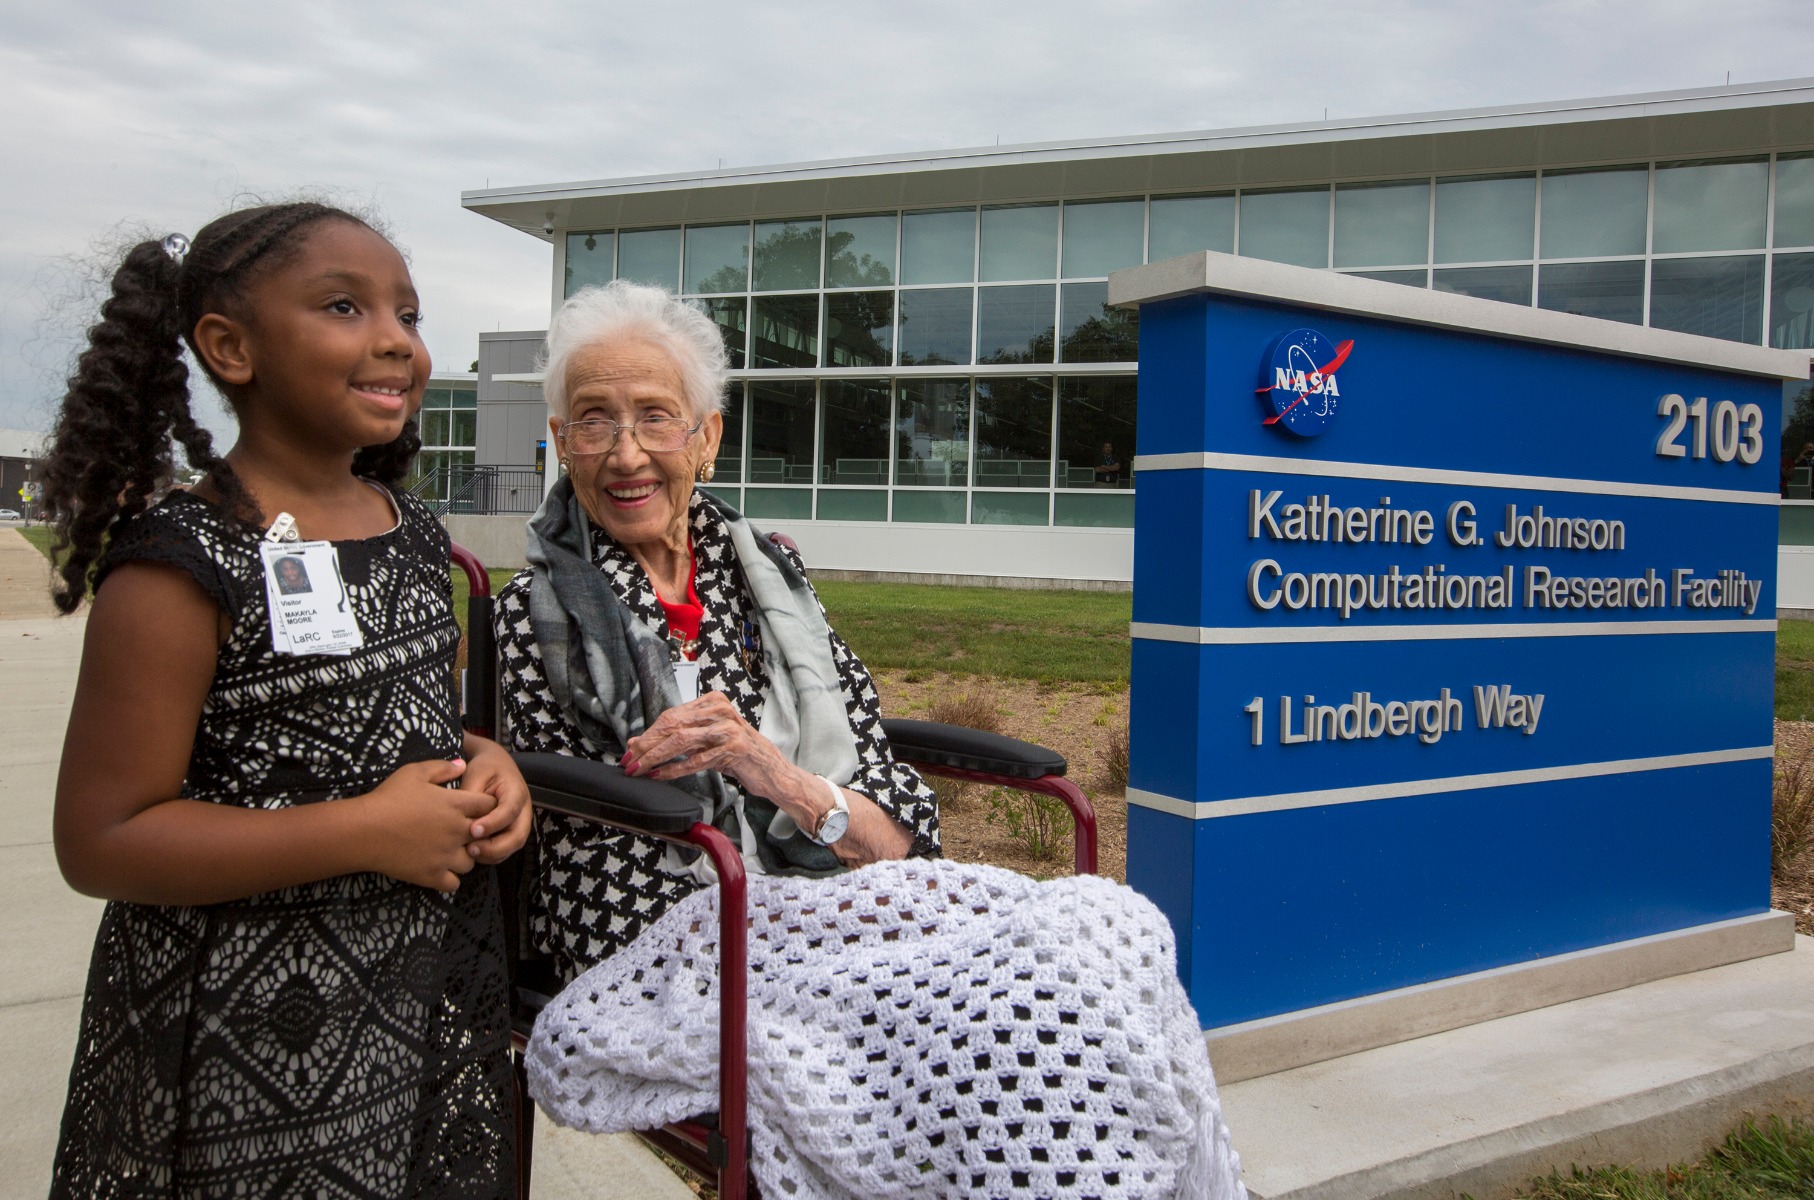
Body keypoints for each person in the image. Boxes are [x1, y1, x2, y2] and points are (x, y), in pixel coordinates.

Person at [41, 202, 532, 1198]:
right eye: (346, 307)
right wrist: (364, 830)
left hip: (410, 1013)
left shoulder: (414, 534)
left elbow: (421, 732)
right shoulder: (179, 569)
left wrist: (487, 762)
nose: (396, 338)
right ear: (230, 347)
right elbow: (101, 839)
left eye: (409, 312)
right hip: (236, 1052)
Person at [495, 279, 938, 979]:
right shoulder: (534, 616)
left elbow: (900, 832)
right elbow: (598, 873)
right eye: (593, 420)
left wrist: (774, 776)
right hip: (682, 953)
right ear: (561, 442)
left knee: (1091, 938)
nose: (626, 454)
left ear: (707, 436)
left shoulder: (774, 581)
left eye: (655, 417)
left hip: (846, 912)